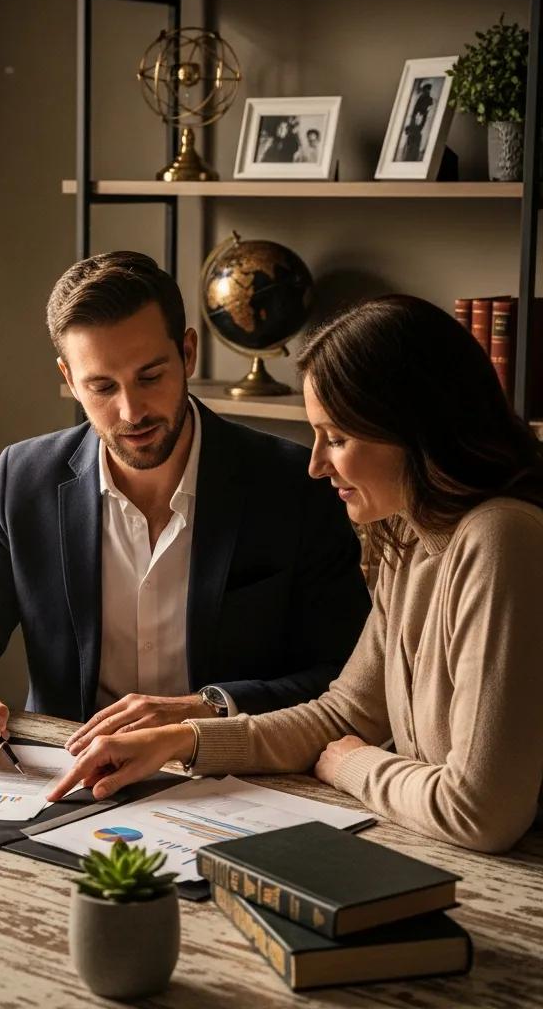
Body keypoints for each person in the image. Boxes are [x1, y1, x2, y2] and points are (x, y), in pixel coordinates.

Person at [48, 295, 543, 855]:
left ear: (415, 429)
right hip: (436, 850)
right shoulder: (407, 537)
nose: (316, 464)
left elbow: (481, 812)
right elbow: (344, 713)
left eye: (337, 439)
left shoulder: (501, 537)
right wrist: (181, 742)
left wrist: (352, 764)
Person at [0, 251, 371, 764]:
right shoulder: (25, 478)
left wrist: (206, 709)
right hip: (69, 774)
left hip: (232, 775)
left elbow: (343, 674)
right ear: (69, 378)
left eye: (150, 376)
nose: (131, 412)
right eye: (102, 386)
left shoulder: (294, 483)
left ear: (187, 352)